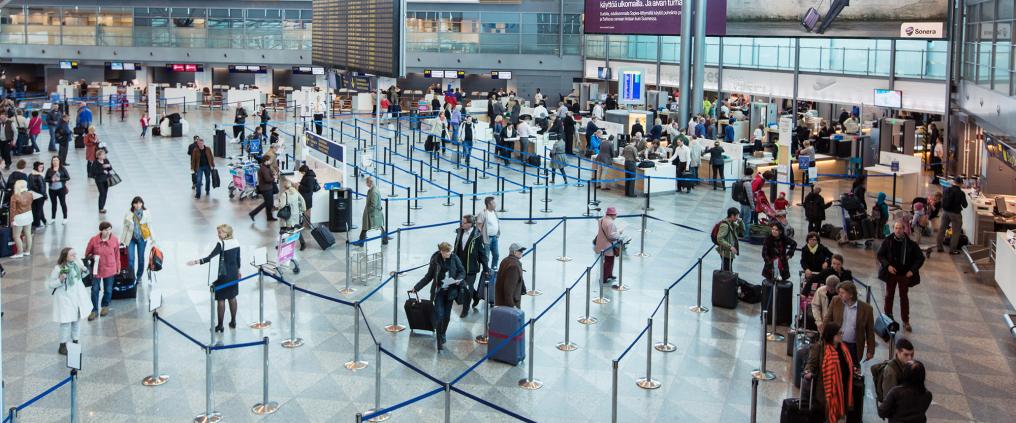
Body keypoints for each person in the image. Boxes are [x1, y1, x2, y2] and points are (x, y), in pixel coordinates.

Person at [411, 242, 464, 350]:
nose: (450, 253)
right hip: (438, 292)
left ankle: (443, 332)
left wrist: (459, 279)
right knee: (439, 315)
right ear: (442, 252)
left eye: (450, 251)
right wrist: (416, 287)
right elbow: (429, 276)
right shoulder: (435, 260)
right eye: (448, 252)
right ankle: (440, 339)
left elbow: (462, 271)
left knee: (447, 316)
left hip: (450, 292)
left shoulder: (454, 258)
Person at [188, 224, 241, 332]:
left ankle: (220, 326)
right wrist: (238, 270)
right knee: (232, 297)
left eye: (220, 232)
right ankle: (233, 321)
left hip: (222, 276)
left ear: (226, 233)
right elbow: (238, 259)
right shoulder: (236, 242)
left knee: (221, 300)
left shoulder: (221, 244)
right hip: (233, 274)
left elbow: (210, 258)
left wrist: (196, 262)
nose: (218, 234)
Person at [804, 322, 859, 423]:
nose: (841, 335)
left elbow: (847, 364)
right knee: (827, 416)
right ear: (831, 335)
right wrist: (808, 371)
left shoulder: (843, 348)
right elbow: (811, 363)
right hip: (827, 392)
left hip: (843, 389)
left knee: (840, 416)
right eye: (839, 333)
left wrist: (853, 369)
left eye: (841, 333)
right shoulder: (819, 348)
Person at [878, 221, 925, 332]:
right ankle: (888, 317)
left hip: (904, 274)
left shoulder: (910, 244)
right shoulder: (888, 241)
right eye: (896, 228)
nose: (898, 230)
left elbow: (920, 258)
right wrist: (887, 266)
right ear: (893, 229)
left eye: (900, 228)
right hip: (892, 274)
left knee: (904, 297)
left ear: (904, 229)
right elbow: (880, 255)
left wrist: (912, 271)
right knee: (889, 295)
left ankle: (905, 320)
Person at [47, 247, 92, 355]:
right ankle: (62, 345)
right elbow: (50, 284)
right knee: (66, 322)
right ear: (65, 256)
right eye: (72, 255)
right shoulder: (58, 268)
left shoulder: (77, 264)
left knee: (76, 321)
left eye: (75, 254)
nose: (74, 256)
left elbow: (83, 276)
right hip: (65, 299)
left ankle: (75, 341)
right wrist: (60, 280)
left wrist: (84, 268)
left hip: (77, 298)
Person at [823, 281, 877, 364]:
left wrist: (870, 350)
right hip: (836, 343)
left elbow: (870, 331)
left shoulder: (867, 309)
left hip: (853, 347)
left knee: (851, 370)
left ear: (851, 295)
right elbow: (827, 319)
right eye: (839, 292)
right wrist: (823, 337)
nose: (840, 295)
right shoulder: (835, 300)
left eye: (842, 293)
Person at [84, 221, 121, 321]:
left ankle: (105, 305)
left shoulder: (114, 240)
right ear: (102, 230)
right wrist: (92, 257)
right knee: (94, 290)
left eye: (110, 229)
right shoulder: (94, 240)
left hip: (110, 268)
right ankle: (94, 310)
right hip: (97, 269)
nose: (108, 231)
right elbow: (87, 254)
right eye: (106, 230)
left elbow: (117, 255)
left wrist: (118, 267)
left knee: (108, 290)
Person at [454, 214, 489, 317]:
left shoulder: (477, 236)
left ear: (470, 224)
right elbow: (456, 247)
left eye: (464, 222)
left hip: (471, 268)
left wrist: (486, 268)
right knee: (464, 286)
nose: (462, 224)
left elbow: (482, 253)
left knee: (466, 288)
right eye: (462, 222)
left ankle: (465, 309)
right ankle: (476, 296)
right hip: (460, 267)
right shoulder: (459, 232)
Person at [120, 196, 152, 282]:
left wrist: (153, 239)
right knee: (130, 258)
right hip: (131, 238)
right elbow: (125, 227)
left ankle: (139, 276)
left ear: (142, 203)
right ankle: (132, 276)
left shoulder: (146, 213)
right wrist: (122, 240)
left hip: (142, 238)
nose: (138, 205)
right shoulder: (129, 213)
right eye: (136, 203)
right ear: (133, 204)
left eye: (139, 203)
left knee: (141, 258)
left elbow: (150, 226)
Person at [879, 338, 916, 403]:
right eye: (906, 355)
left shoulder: (907, 365)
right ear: (897, 352)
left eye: (912, 355)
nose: (910, 358)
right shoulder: (891, 371)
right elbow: (888, 398)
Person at [278, 180, 307, 263]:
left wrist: (278, 206)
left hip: (288, 215)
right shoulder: (296, 192)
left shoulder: (284, 194)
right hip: (296, 214)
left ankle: (284, 245)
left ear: (284, 187)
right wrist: (304, 209)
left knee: (285, 229)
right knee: (296, 229)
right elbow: (302, 200)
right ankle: (302, 243)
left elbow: (281, 205)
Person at [937, 176, 968, 254]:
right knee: (956, 232)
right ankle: (952, 250)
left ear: (954, 182)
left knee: (942, 230)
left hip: (945, 212)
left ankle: (939, 247)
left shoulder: (946, 189)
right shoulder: (961, 193)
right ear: (961, 184)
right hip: (956, 214)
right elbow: (965, 205)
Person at [594, 207, 622, 285]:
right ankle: (604, 278)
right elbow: (611, 236)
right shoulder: (610, 223)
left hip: (602, 244)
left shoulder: (602, 219)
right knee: (608, 262)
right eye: (615, 214)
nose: (616, 216)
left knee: (609, 261)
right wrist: (619, 232)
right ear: (612, 214)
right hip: (608, 245)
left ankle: (609, 274)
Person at [494, 242, 527, 309]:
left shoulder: (505, 260)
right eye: (520, 251)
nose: (522, 252)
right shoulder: (514, 266)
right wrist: (512, 306)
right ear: (514, 252)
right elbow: (508, 289)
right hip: (511, 304)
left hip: (502, 302)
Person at [9, 179, 34, 258]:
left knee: (16, 236)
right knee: (28, 234)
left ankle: (19, 252)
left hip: (19, 217)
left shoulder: (15, 196)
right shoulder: (30, 194)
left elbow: (12, 209)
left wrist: (12, 220)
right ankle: (27, 251)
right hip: (29, 215)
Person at [248, 155, 278, 222]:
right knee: (267, 203)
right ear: (266, 161)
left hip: (267, 187)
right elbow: (267, 179)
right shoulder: (264, 169)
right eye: (269, 160)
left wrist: (272, 174)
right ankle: (252, 213)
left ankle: (269, 217)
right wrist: (274, 178)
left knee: (269, 203)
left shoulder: (265, 167)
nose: (270, 161)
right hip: (266, 188)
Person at [716, 207, 744, 271]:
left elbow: (742, 230)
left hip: (729, 252)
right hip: (725, 252)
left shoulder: (732, 223)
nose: (738, 217)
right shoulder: (725, 225)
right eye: (737, 215)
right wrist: (730, 247)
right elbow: (719, 239)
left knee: (726, 270)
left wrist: (741, 221)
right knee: (727, 271)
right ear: (732, 216)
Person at [476, 197, 501, 269]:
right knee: (486, 257)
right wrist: (482, 237)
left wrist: (497, 235)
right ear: (488, 204)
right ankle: (486, 271)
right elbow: (479, 225)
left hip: (494, 238)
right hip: (487, 238)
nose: (495, 204)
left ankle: (494, 269)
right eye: (493, 203)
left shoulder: (494, 212)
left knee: (496, 255)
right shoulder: (483, 213)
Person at [45, 156, 70, 224]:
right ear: (52, 162)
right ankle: (53, 218)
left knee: (63, 203)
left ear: (59, 161)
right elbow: (45, 179)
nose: (55, 162)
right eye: (54, 160)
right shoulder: (49, 169)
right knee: (53, 204)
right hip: (52, 190)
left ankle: (65, 218)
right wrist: (51, 180)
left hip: (61, 189)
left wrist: (60, 179)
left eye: (56, 160)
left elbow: (68, 178)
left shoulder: (62, 169)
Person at [88, 149, 113, 214]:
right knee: (102, 193)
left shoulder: (106, 160)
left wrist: (108, 166)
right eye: (102, 154)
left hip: (106, 179)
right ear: (98, 156)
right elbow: (93, 172)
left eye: (104, 154)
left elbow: (110, 168)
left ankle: (102, 207)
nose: (104, 156)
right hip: (99, 180)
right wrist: (102, 170)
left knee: (105, 193)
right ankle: (101, 208)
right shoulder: (95, 162)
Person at [359, 176, 384, 240]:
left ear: (370, 182)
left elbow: (374, 205)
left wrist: (368, 211)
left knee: (366, 227)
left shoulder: (373, 192)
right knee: (378, 226)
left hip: (373, 214)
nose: (366, 184)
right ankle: (385, 240)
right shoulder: (373, 189)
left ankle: (361, 242)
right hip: (374, 213)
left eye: (367, 182)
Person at [28, 161, 48, 228]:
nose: (42, 168)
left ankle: (43, 221)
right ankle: (37, 224)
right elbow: (42, 189)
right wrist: (45, 196)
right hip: (39, 196)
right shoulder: (39, 176)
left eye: (42, 167)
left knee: (34, 210)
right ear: (36, 167)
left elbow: (29, 186)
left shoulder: (30, 174)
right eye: (40, 167)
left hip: (32, 196)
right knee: (39, 211)